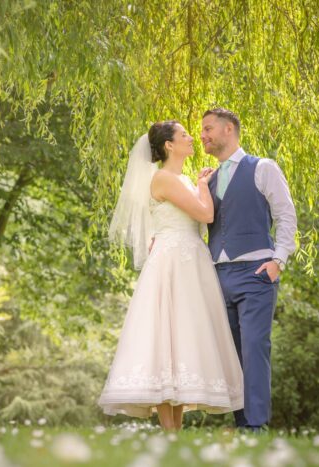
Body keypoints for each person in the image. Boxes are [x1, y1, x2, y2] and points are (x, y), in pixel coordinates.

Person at [98, 120, 243, 431]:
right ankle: (169, 433)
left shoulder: (180, 179)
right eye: (184, 135)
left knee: (182, 340)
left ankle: (174, 434)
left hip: (189, 259)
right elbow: (205, 214)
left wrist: (198, 184)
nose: (192, 138)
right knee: (166, 340)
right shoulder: (164, 178)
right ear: (169, 146)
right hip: (173, 263)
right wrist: (203, 185)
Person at [200, 108, 297, 432]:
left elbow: (286, 216)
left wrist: (278, 261)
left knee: (255, 348)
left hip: (256, 271)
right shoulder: (209, 179)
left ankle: (255, 428)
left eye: (209, 129)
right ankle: (242, 423)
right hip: (219, 274)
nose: (203, 135)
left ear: (229, 130)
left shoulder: (263, 168)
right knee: (231, 353)